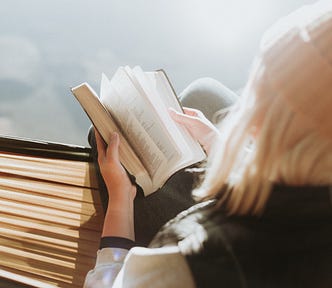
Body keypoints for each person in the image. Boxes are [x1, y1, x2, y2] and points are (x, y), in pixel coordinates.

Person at [84, 1, 332, 287]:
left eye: (257, 85)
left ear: (266, 118)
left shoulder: (187, 259)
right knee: (205, 93)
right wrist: (219, 144)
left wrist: (119, 201)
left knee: (102, 133)